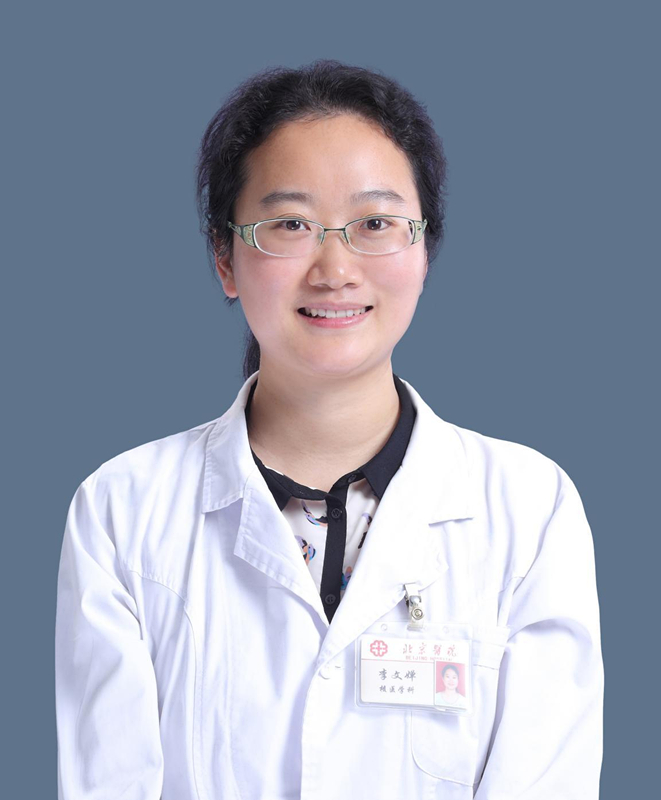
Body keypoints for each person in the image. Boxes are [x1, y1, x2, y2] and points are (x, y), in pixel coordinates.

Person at [55, 59, 604, 799]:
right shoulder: (123, 510)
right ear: (224, 257)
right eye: (290, 224)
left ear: (424, 250)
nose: (335, 268)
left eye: (375, 223)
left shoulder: (530, 508)